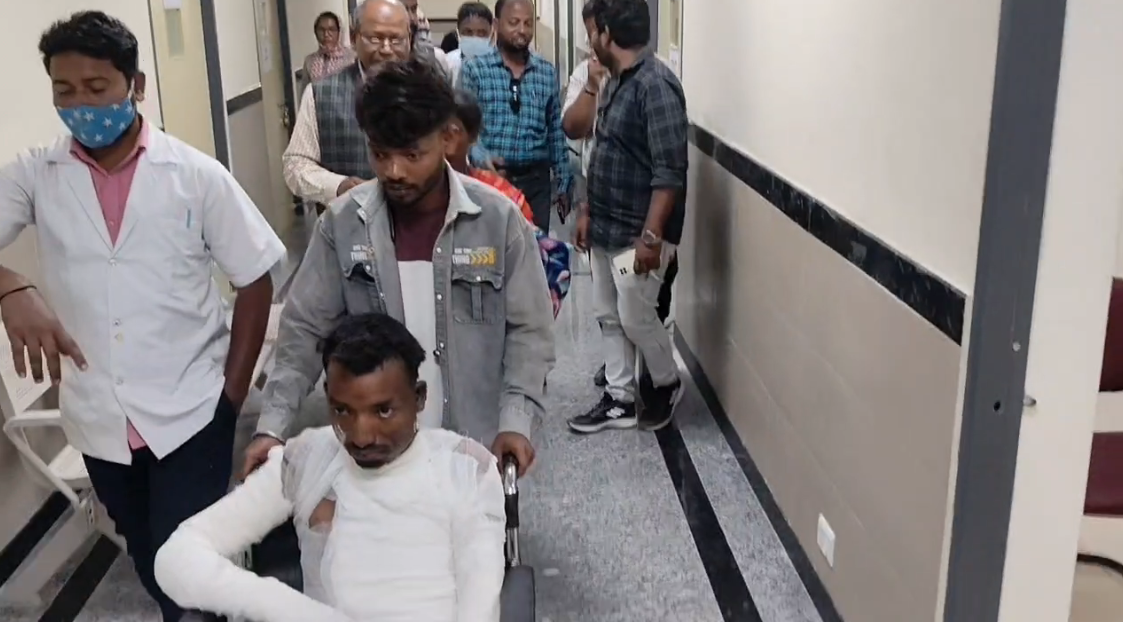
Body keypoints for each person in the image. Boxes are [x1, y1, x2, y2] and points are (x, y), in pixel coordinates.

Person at [0, 11, 285, 620]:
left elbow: (255, 278)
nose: (80, 105)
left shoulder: (194, 175)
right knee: (148, 556)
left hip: (192, 415)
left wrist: (230, 399)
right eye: (64, 90)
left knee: (186, 571)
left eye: (96, 87)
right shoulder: (35, 174)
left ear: (136, 85)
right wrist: (10, 287)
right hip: (99, 419)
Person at [244, 59, 554, 480]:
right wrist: (272, 428)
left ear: (448, 138)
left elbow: (530, 332)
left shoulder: (498, 221)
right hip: (376, 460)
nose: (394, 171)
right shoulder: (342, 226)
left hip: (475, 452)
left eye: (412, 155)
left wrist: (516, 421)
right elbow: (304, 332)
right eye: (380, 154)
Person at [154, 313, 506, 621]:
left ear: (418, 398)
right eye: (342, 411)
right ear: (327, 394)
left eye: (383, 411)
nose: (361, 436)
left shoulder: (465, 469)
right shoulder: (308, 459)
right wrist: (297, 612)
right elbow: (176, 558)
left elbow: (479, 610)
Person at [566, 0, 688, 434]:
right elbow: (598, 150)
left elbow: (670, 171)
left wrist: (651, 237)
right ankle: (619, 399)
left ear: (606, 33)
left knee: (635, 315)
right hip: (605, 226)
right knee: (608, 313)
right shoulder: (615, 80)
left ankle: (667, 381)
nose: (589, 41)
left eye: (592, 32)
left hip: (638, 235)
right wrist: (586, 210)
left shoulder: (655, 86)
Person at [282, 0, 443, 212]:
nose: (386, 49)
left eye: (396, 40)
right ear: (353, 37)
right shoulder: (320, 94)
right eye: (375, 39)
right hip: (347, 222)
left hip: (418, 220)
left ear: (409, 38)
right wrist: (338, 186)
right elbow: (296, 164)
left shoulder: (429, 91)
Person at [448, 89, 571, 318]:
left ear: (472, 137)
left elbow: (535, 259)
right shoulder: (414, 195)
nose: (444, 140)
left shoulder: (502, 196)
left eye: (452, 131)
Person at [458, 0, 572, 235]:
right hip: (492, 180)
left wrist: (564, 180)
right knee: (493, 247)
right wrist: (481, 157)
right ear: (497, 25)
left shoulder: (545, 72)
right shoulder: (475, 70)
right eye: (514, 22)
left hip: (537, 184)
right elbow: (462, 127)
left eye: (528, 24)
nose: (522, 30)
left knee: (536, 248)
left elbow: (555, 130)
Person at [299, 11, 356, 94]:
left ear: (339, 31)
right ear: (315, 32)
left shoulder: (351, 58)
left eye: (331, 30)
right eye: (321, 30)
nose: (326, 34)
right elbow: (306, 93)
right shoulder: (310, 61)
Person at [445, 2, 494, 87]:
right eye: (468, 32)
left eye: (482, 33)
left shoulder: (500, 65)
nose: (475, 37)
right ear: (458, 32)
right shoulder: (448, 63)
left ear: (491, 32)